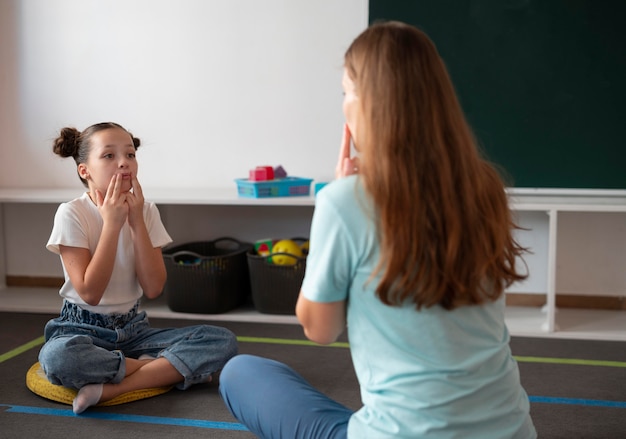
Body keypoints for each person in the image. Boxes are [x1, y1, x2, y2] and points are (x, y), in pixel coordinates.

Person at [218, 21, 537, 438]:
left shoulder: (345, 200)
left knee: (240, 372)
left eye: (346, 92)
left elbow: (321, 329)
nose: (344, 104)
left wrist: (333, 205)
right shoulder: (485, 187)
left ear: (368, 104)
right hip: (513, 432)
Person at [38, 122, 238, 414]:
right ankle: (155, 369)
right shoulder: (71, 213)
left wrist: (135, 222)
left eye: (130, 154)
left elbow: (154, 288)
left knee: (222, 340)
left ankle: (113, 388)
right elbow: (91, 293)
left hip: (134, 331)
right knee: (59, 359)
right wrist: (113, 223)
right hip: (80, 329)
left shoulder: (146, 210)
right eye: (109, 156)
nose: (124, 162)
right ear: (85, 170)